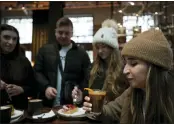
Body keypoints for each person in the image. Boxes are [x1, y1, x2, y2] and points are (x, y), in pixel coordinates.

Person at [83, 28, 174, 124]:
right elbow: (111, 110)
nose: (125, 70)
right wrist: (98, 110)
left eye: (133, 63)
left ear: (154, 67)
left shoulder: (169, 95)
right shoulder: (132, 92)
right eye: (126, 63)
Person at [34, 17, 91, 107]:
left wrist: (81, 91)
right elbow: (37, 72)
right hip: (48, 105)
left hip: (72, 105)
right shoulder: (45, 50)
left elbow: (87, 77)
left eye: (67, 33)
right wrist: (46, 87)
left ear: (72, 34)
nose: (63, 36)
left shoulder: (82, 53)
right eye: (60, 32)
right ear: (55, 32)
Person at [71, 19, 128, 104]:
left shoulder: (123, 69)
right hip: (93, 114)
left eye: (104, 47)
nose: (100, 51)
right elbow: (86, 94)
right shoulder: (92, 68)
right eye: (97, 47)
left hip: (114, 115)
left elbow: (126, 100)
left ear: (112, 47)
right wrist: (80, 98)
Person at [0, 24, 36, 109]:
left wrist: (21, 89)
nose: (11, 42)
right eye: (6, 37)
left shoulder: (24, 61)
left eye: (14, 39)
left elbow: (35, 88)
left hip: (20, 110)